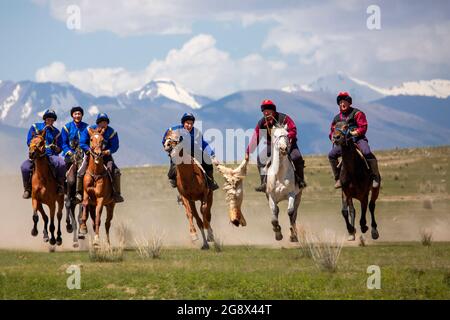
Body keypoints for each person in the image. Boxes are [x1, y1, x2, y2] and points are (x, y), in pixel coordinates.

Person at [245, 99, 306, 192]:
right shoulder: (262, 123)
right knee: (260, 158)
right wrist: (248, 151)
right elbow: (256, 138)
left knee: (297, 157)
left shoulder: (284, 118)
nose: (266, 112)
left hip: (289, 144)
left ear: (273, 110)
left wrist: (287, 137)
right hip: (272, 145)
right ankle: (264, 183)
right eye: (264, 110)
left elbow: (293, 129)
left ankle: (300, 180)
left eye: (268, 110)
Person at [328, 92, 380, 189]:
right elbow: (332, 131)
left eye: (344, 102)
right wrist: (332, 137)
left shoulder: (357, 113)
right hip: (344, 143)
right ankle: (338, 178)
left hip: (358, 140)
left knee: (366, 152)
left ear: (349, 102)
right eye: (340, 102)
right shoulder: (336, 118)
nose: (342, 104)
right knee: (331, 155)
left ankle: (375, 176)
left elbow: (363, 127)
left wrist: (355, 132)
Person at [162, 112, 219, 191]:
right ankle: (175, 182)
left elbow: (204, 144)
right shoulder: (174, 130)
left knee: (207, 162)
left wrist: (213, 156)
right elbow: (165, 139)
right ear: (183, 123)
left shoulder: (196, 132)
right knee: (173, 168)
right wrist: (169, 149)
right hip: (178, 152)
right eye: (187, 123)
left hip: (193, 150)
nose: (189, 126)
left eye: (191, 124)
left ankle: (210, 181)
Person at [79, 113, 124, 203]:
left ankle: (116, 193)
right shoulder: (89, 129)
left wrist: (107, 152)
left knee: (115, 171)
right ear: (98, 123)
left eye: (105, 122)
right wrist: (88, 150)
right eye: (101, 122)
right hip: (90, 155)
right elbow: (82, 142)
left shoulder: (112, 132)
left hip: (105, 156)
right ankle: (78, 193)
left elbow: (115, 146)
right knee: (80, 171)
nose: (103, 124)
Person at [20, 109, 65, 199]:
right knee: (24, 167)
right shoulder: (35, 127)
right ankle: (27, 189)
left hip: (51, 155)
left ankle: (60, 186)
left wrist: (56, 148)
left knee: (62, 164)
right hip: (36, 155)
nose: (50, 121)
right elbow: (29, 141)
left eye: (52, 119)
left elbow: (60, 147)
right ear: (45, 119)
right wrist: (35, 146)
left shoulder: (57, 132)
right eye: (48, 118)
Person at [61, 106, 89, 203]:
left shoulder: (87, 127)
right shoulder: (66, 127)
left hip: (84, 154)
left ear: (82, 115)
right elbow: (63, 143)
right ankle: (62, 189)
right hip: (70, 154)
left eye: (79, 114)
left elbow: (89, 141)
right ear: (72, 115)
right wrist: (69, 152)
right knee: (62, 169)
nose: (77, 115)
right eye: (75, 114)